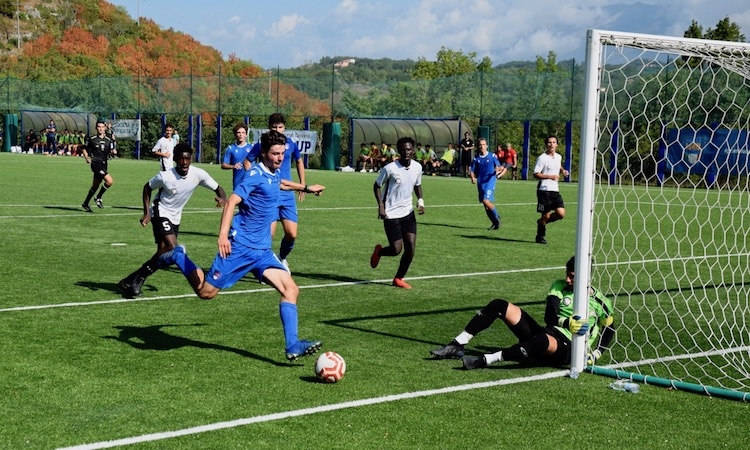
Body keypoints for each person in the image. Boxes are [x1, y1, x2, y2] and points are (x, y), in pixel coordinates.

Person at [158, 130, 326, 361]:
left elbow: (280, 183)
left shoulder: (273, 172)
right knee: (206, 293)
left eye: (282, 154)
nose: (280, 158)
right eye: (275, 154)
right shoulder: (254, 175)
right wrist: (223, 236)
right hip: (240, 247)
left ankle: (293, 344)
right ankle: (179, 257)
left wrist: (306, 188)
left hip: (263, 252)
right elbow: (232, 202)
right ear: (264, 154)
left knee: (291, 290)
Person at [430, 256, 615, 370]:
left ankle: (485, 360)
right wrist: (567, 323)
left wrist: (596, 353)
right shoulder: (559, 287)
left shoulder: (600, 302)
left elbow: (610, 330)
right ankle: (458, 344)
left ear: (586, 275)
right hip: (550, 332)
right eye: (567, 273)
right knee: (499, 305)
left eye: (572, 276)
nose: (567, 279)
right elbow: (549, 316)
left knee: (542, 341)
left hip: (567, 349)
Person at [118, 143, 227, 298]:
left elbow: (218, 188)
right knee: (172, 247)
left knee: (163, 254)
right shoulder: (165, 176)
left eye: (187, 158)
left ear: (191, 159)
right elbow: (147, 188)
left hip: (176, 216)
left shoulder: (198, 174)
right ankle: (138, 280)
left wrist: (222, 198)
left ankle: (130, 279)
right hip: (160, 211)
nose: (184, 162)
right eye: (181, 158)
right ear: (175, 159)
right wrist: (147, 212)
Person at [243, 113, 305, 270]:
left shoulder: (290, 144)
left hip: (287, 194)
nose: (277, 130)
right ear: (269, 127)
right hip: (269, 194)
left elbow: (299, 160)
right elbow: (247, 161)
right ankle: (265, 267)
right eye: (274, 127)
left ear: (284, 127)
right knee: (268, 234)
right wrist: (257, 180)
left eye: (280, 127)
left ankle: (282, 258)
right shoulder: (262, 145)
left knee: (292, 234)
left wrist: (302, 184)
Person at [370, 136, 425, 290]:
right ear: (399, 151)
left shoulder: (417, 167)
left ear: (413, 150)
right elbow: (376, 186)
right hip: (391, 214)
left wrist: (420, 200)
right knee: (396, 250)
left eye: (408, 149)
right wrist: (381, 206)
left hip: (408, 212)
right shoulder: (390, 168)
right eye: (403, 149)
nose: (406, 152)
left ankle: (398, 278)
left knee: (411, 248)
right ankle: (380, 252)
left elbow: (417, 184)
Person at [534, 135, 569, 244]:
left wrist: (563, 170)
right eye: (549, 142)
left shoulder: (558, 157)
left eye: (554, 142)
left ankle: (541, 223)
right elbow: (536, 174)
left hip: (555, 190)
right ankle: (540, 236)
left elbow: (558, 165)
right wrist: (550, 177)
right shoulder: (542, 158)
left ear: (557, 145)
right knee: (546, 215)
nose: (551, 144)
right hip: (544, 190)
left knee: (561, 214)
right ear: (546, 144)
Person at [81, 120, 115, 212]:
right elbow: (84, 148)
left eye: (102, 127)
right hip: (96, 164)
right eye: (99, 127)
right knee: (109, 181)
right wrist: (87, 158)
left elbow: (112, 150)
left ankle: (85, 203)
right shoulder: (92, 139)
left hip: (104, 164)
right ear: (96, 128)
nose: (101, 129)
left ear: (105, 128)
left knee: (95, 186)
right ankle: (98, 197)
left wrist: (113, 152)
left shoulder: (109, 140)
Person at [469, 138, 502, 230]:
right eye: (480, 145)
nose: (482, 146)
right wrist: (472, 178)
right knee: (486, 206)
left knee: (486, 201)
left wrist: (498, 169)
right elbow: (471, 170)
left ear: (486, 146)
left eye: (483, 144)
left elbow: (499, 166)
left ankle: (497, 218)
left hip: (490, 182)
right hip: (480, 183)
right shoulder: (476, 158)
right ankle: (494, 223)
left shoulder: (492, 156)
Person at [221, 122, 252, 190]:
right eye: (238, 132)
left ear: (246, 135)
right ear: (235, 135)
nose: (241, 135)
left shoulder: (251, 148)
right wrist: (233, 166)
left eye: (243, 133)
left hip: (250, 182)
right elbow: (223, 165)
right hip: (237, 183)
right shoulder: (231, 148)